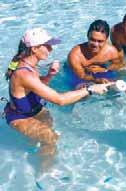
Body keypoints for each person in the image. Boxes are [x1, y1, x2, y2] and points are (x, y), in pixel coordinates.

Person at [4, 28, 111, 166]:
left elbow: (33, 87)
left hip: (36, 110)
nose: (51, 49)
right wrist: (90, 89)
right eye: (47, 45)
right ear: (35, 49)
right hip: (21, 117)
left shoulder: (29, 65)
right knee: (50, 138)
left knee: (46, 140)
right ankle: (44, 174)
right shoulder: (24, 74)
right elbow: (60, 100)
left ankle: (37, 158)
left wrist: (49, 75)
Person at [67, 20, 123, 88]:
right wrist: (96, 80)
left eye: (100, 41)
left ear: (106, 39)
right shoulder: (75, 55)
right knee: (81, 90)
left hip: (101, 72)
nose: (95, 44)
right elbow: (82, 76)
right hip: (78, 75)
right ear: (87, 35)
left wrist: (105, 69)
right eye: (92, 40)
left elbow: (119, 65)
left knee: (115, 87)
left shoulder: (111, 52)